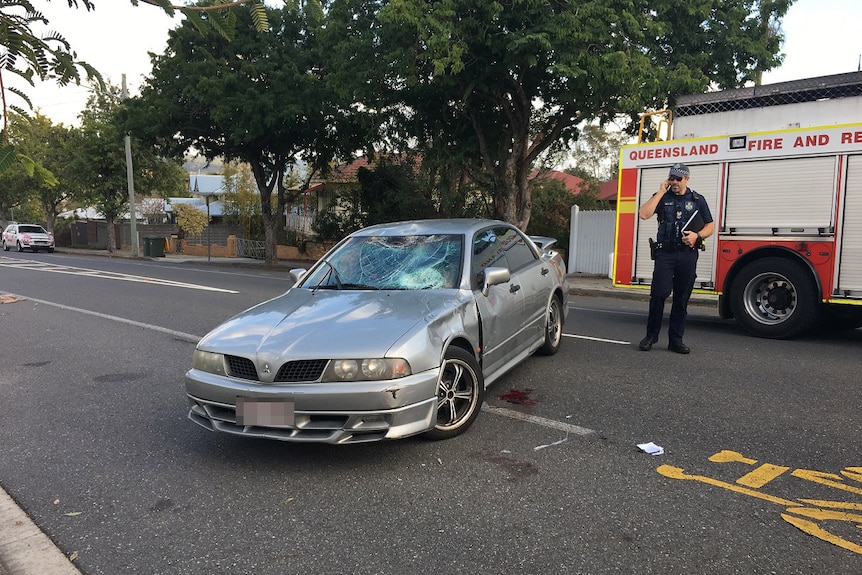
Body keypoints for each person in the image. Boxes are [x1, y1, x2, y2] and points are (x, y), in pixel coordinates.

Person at [637, 163, 714, 354]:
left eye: (678, 179)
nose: (674, 182)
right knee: (659, 294)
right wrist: (660, 192)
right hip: (665, 254)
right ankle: (651, 335)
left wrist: (698, 236)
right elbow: (643, 214)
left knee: (681, 298)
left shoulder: (697, 200)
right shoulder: (663, 197)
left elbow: (710, 226)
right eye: (672, 178)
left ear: (687, 179)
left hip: (687, 254)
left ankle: (675, 340)